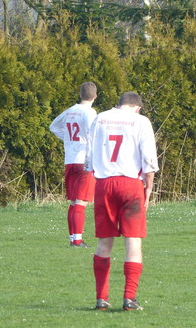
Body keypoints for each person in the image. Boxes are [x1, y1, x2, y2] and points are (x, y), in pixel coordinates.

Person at [86, 91, 159, 311]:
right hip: (130, 185)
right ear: (137, 107)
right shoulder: (140, 121)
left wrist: (93, 172)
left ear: (118, 105)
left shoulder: (100, 118)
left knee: (104, 242)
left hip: (104, 183)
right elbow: (148, 158)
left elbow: (89, 153)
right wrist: (149, 185)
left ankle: (101, 298)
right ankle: (129, 298)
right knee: (133, 242)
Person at [49, 81, 98, 248]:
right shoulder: (90, 112)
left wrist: (69, 140)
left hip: (70, 160)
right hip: (83, 160)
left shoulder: (70, 111)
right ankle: (77, 240)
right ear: (95, 97)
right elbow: (92, 135)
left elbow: (53, 126)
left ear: (80, 94)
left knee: (72, 202)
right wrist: (91, 160)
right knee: (81, 202)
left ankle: (73, 239)